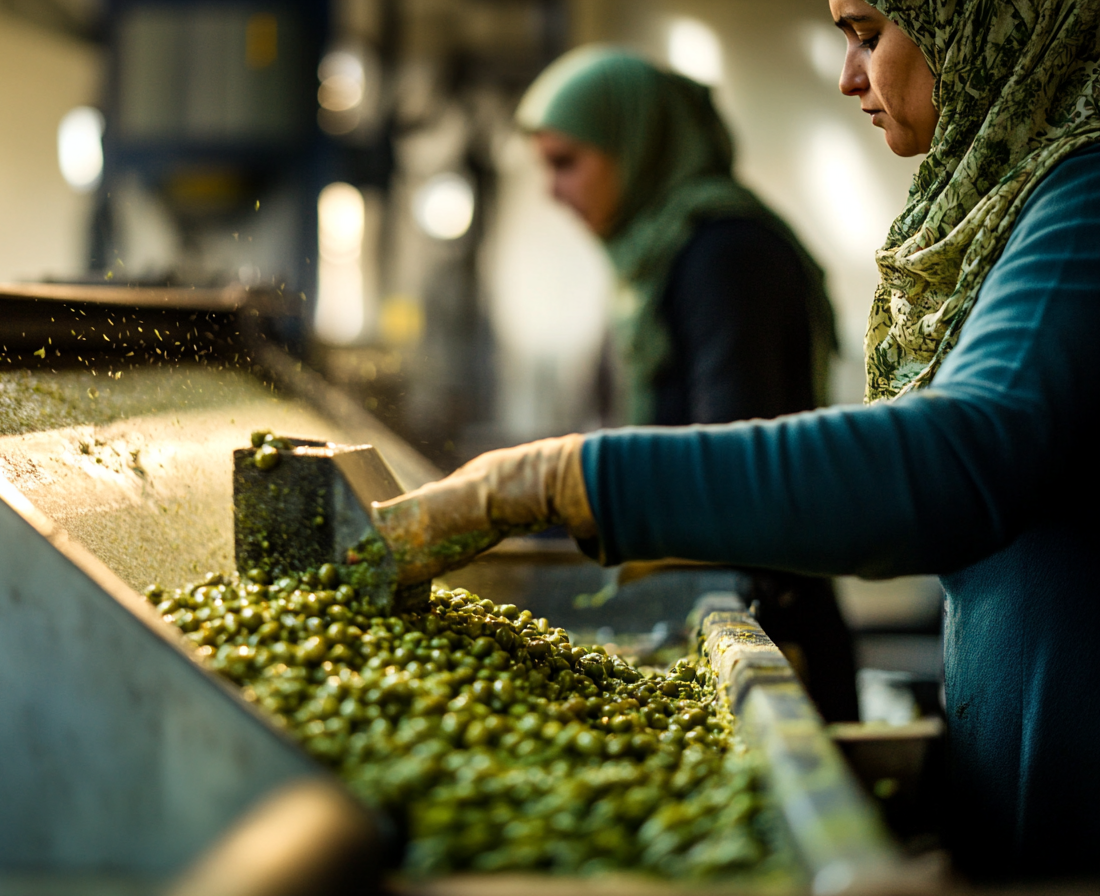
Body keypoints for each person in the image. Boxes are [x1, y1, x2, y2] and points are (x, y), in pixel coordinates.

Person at [374, 0, 1100, 880]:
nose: (849, 76)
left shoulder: (1085, 193)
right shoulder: (1024, 203)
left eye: (872, 32)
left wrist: (561, 480)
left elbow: (966, 456)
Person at [514, 48, 857, 721]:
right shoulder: (651, 260)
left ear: (636, 145)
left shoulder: (725, 255)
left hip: (767, 631)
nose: (552, 191)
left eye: (566, 163)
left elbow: (728, 463)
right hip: (708, 608)